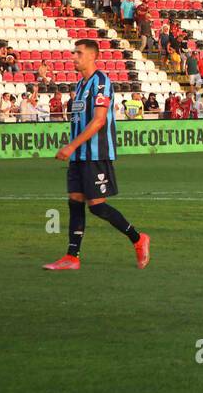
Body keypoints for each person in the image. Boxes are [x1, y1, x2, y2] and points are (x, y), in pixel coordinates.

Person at [44, 39, 150, 271]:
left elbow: (99, 120)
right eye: (73, 53)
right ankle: (72, 257)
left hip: (96, 153)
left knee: (97, 206)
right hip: (79, 155)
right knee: (74, 201)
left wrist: (71, 146)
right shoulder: (80, 85)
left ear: (92, 56)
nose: (74, 57)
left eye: (79, 53)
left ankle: (138, 238)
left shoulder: (101, 81)